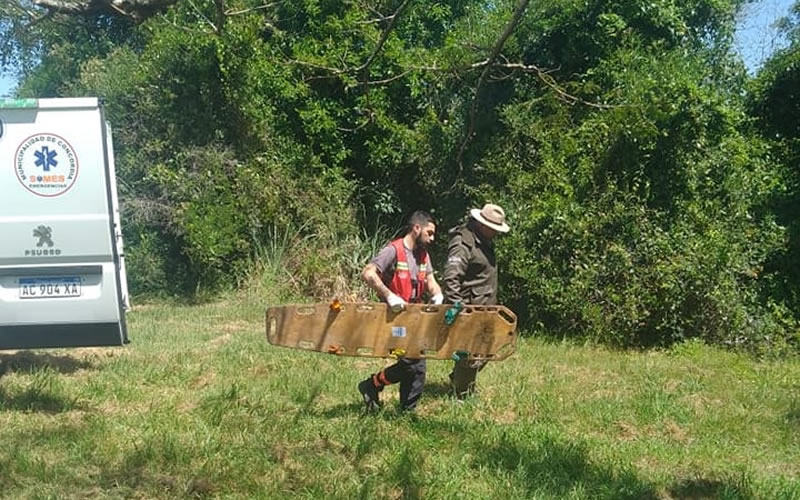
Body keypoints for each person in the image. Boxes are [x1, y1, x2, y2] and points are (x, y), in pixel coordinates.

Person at [357, 210, 443, 412]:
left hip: (415, 319)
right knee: (414, 365)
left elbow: (430, 281)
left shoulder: (423, 254)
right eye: (429, 233)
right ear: (416, 228)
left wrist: (438, 294)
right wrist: (388, 295)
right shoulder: (393, 250)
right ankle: (404, 408)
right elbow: (368, 273)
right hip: (394, 320)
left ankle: (376, 388)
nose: (432, 238)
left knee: (411, 365)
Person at [442, 203, 510, 399]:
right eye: (493, 229)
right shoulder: (464, 243)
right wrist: (459, 307)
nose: (496, 233)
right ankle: (461, 394)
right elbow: (451, 277)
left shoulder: (484, 241)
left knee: (488, 348)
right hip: (469, 309)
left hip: (485, 308)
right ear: (481, 224)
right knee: (470, 354)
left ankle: (459, 379)